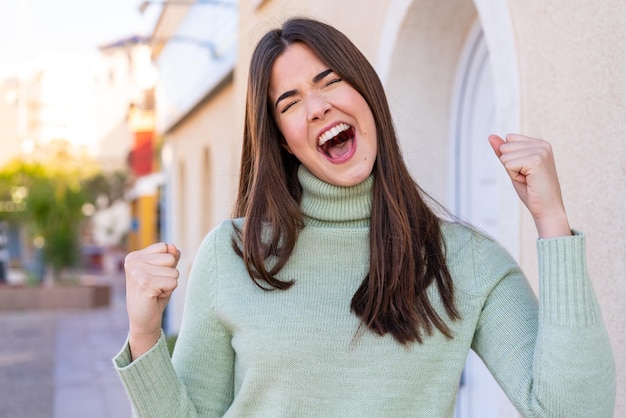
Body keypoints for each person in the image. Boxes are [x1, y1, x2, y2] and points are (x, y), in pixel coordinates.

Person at [114, 17, 616, 417]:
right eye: (289, 103)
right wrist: (145, 333)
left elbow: (574, 410)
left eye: (328, 80)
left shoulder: (464, 261)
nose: (315, 107)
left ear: (367, 92)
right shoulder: (234, 256)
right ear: (283, 141)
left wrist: (551, 220)